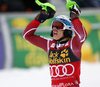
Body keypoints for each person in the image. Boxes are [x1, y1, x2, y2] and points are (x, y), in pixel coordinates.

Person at [22, 1, 87, 87]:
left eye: (58, 26)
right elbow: (26, 35)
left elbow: (82, 36)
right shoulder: (49, 44)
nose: (54, 29)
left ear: (68, 30)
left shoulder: (73, 44)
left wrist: (74, 16)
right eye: (53, 26)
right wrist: (40, 17)